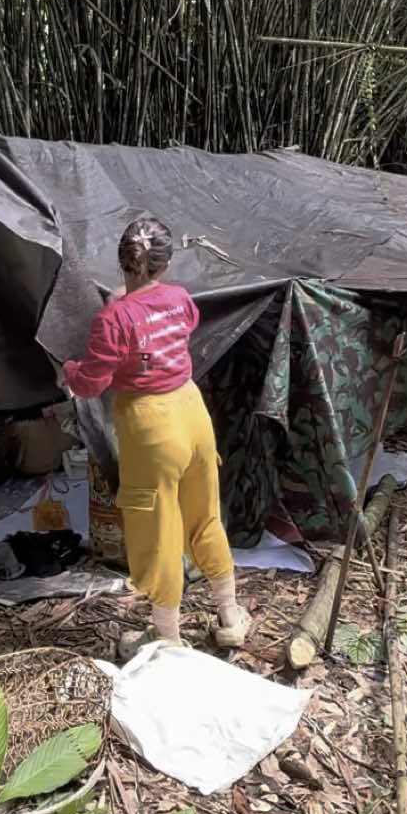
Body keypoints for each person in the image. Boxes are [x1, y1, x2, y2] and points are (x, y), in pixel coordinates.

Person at [61, 216, 251, 655]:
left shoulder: (112, 320)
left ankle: (167, 638)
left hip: (151, 428)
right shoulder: (181, 300)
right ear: (165, 263)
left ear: (123, 262)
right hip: (192, 413)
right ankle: (229, 615)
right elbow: (161, 318)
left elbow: (91, 383)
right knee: (204, 516)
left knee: (159, 529)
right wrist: (129, 303)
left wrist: (68, 371)